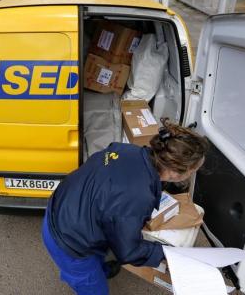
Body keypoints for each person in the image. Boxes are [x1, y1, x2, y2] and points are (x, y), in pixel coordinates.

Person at [42, 118, 209, 295]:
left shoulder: (127, 150)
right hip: (69, 242)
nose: (192, 175)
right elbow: (128, 251)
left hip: (62, 208)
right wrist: (167, 254)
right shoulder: (138, 196)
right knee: (93, 289)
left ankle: (99, 270)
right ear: (176, 173)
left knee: (95, 260)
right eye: (193, 171)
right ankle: (90, 277)